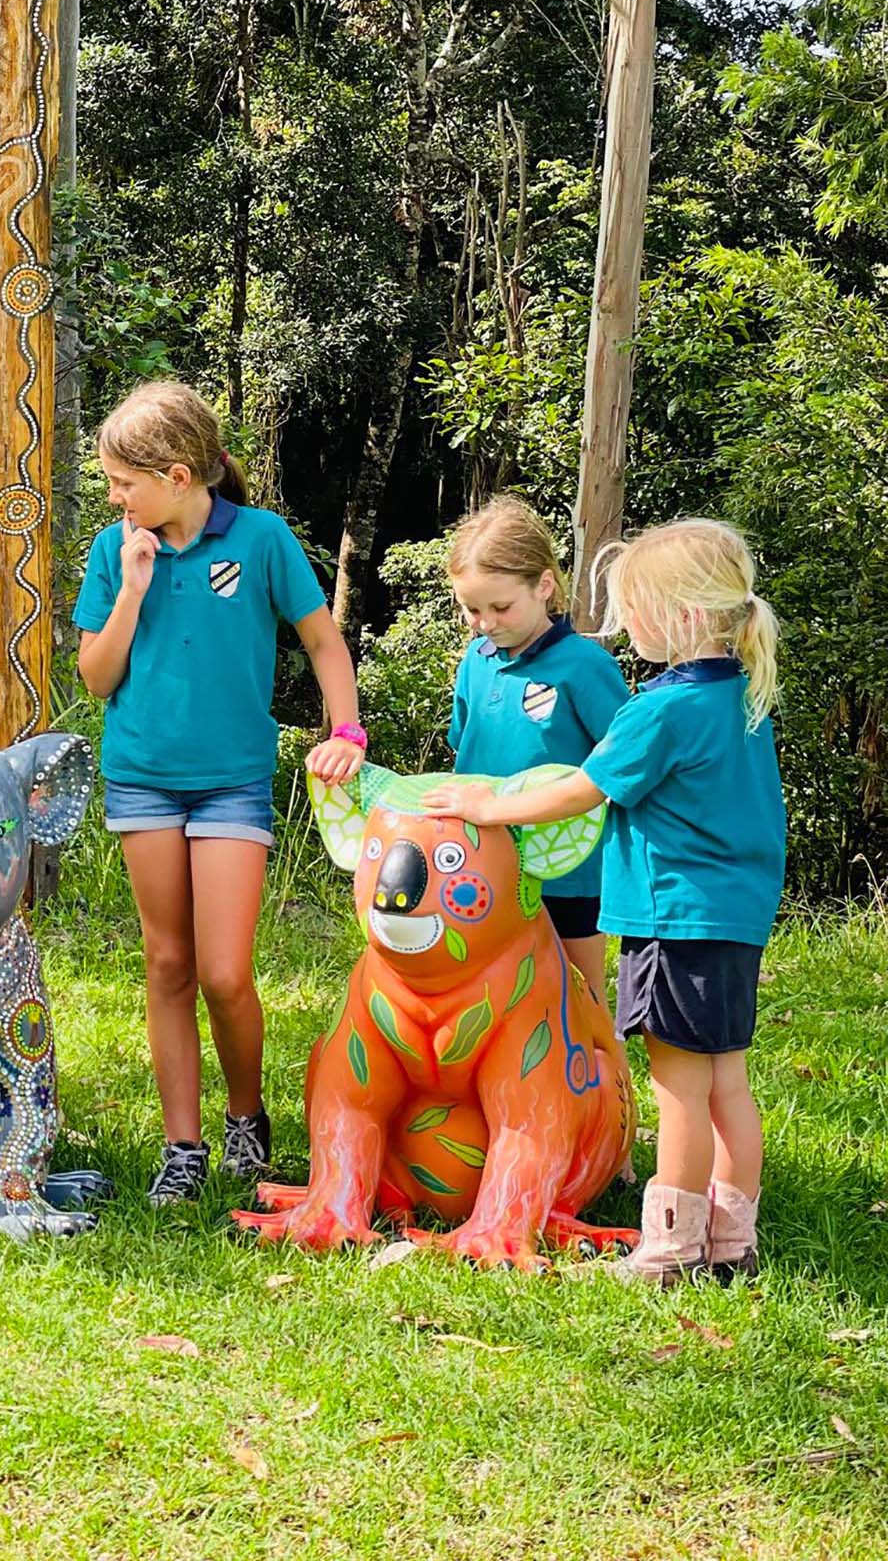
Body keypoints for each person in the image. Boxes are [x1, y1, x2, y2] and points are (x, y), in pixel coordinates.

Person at [425, 519, 784, 1284]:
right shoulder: (744, 694)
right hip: (732, 916)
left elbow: (585, 787)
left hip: (672, 916)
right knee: (726, 1081)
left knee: (678, 1088)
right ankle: (731, 1240)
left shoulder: (662, 710)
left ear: (678, 616)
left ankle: (668, 1245)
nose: (625, 628)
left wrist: (488, 810)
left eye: (634, 613)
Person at [73, 381, 365, 1204]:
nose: (114, 496)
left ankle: (245, 1118)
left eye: (123, 481)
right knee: (168, 962)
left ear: (175, 474)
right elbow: (98, 678)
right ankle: (183, 1146)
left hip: (233, 782)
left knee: (226, 973)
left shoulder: (264, 539)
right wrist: (131, 586)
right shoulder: (113, 549)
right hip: (143, 780)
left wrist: (345, 733)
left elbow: (323, 641)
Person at [443, 495, 630, 1002]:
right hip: (482, 859)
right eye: (472, 609)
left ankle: (597, 1074)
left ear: (544, 585)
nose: (484, 622)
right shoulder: (474, 662)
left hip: (568, 865)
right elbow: (463, 745)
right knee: (487, 987)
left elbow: (628, 761)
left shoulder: (585, 666)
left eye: (500, 607)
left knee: (578, 993)